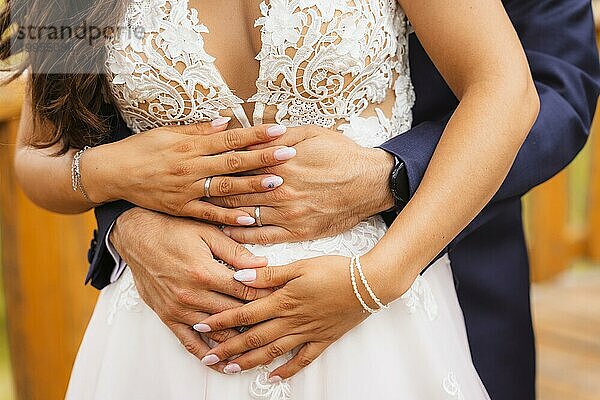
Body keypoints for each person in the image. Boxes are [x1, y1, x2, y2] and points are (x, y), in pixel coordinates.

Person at [0, 0, 577, 399]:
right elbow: (37, 155)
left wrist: (374, 279)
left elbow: (508, 87)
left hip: (369, 326)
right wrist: (111, 175)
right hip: (166, 331)